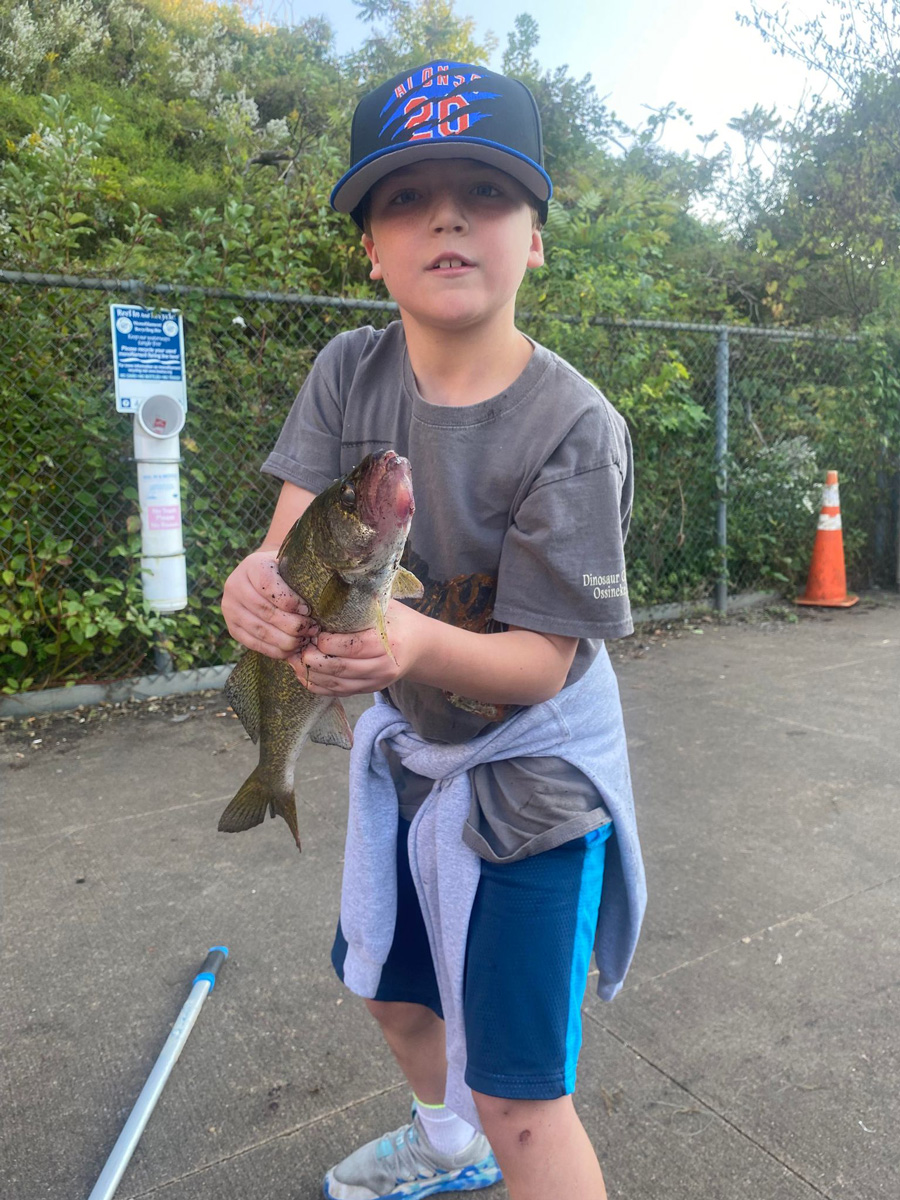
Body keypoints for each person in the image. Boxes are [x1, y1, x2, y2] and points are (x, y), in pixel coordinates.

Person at [221, 60, 647, 1200]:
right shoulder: (346, 372)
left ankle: (487, 1133)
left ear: (536, 239)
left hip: (533, 772)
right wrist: (251, 594)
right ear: (369, 246)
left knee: (518, 1088)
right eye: (405, 196)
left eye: (487, 191)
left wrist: (403, 648)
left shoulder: (575, 428)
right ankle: (440, 1145)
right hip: (409, 751)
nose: (447, 213)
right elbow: (288, 558)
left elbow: (539, 664)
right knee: (393, 990)